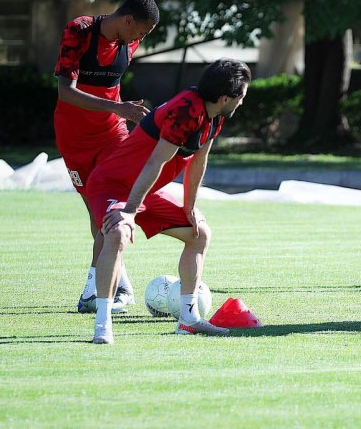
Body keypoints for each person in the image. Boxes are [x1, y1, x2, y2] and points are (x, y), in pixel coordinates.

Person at [85, 58, 251, 344]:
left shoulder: (216, 115)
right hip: (111, 186)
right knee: (118, 232)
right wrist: (129, 212)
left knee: (199, 233)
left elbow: (199, 160)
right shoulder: (187, 110)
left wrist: (190, 208)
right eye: (241, 97)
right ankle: (103, 323)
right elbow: (155, 162)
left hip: (142, 190)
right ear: (225, 97)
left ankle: (188, 319)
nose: (242, 103)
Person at [54, 0, 160, 314]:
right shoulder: (81, 31)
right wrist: (120, 108)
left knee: (111, 209)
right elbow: (66, 92)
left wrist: (123, 113)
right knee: (96, 213)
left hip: (113, 134)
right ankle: (117, 280)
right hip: (74, 140)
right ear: (127, 20)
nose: (139, 40)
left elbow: (111, 93)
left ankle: (92, 293)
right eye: (140, 32)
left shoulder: (129, 43)